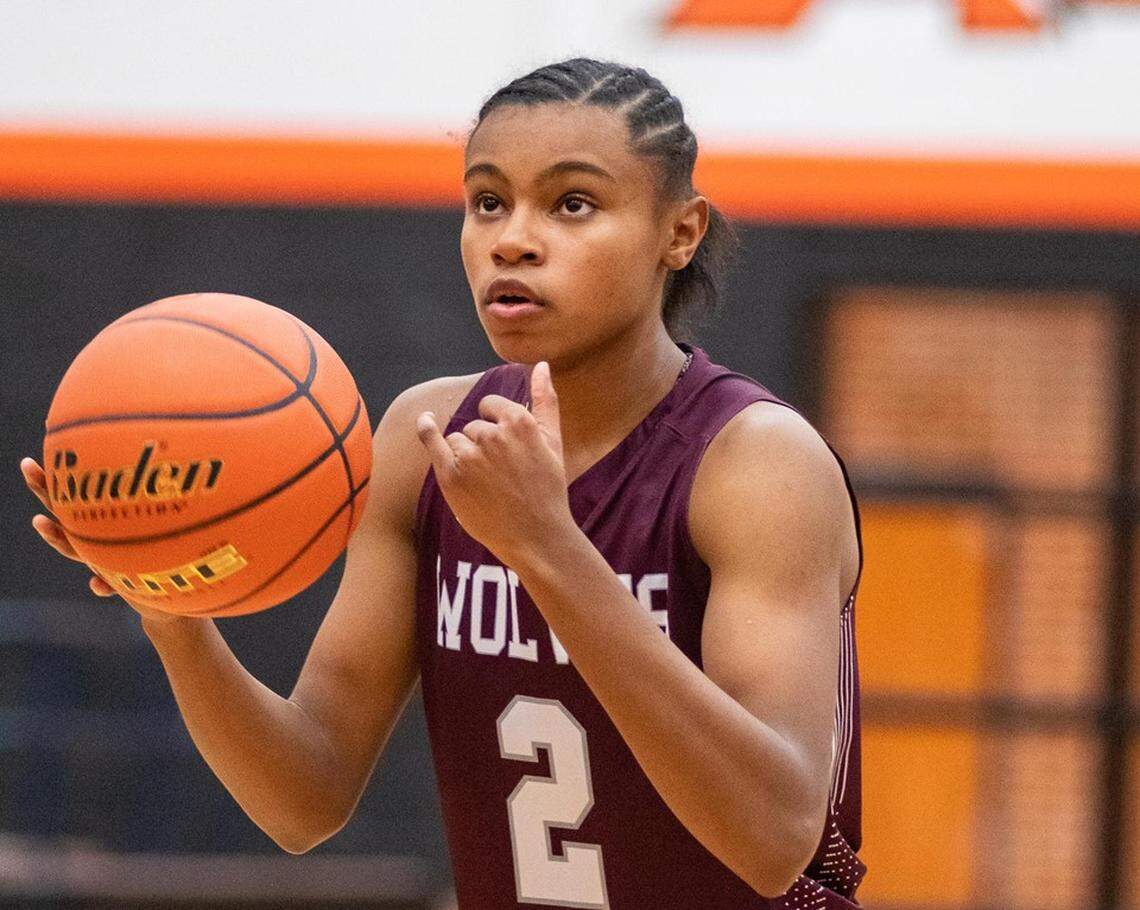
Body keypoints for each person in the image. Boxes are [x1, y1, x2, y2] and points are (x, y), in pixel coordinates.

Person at [22, 58, 865, 909]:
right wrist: (177, 621)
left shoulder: (754, 463)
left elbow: (773, 839)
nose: (512, 238)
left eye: (573, 204)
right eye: (488, 201)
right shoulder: (426, 441)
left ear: (678, 233)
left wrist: (546, 547)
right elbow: (303, 798)